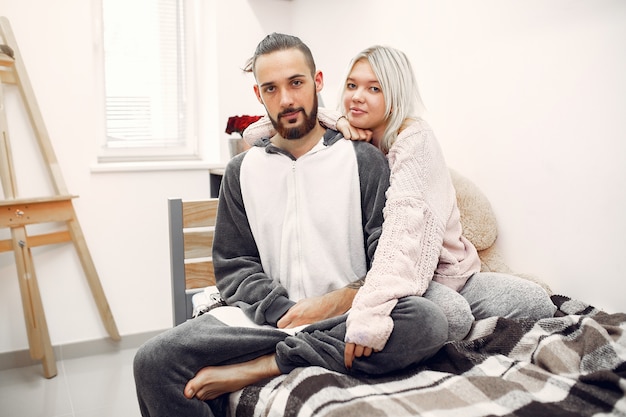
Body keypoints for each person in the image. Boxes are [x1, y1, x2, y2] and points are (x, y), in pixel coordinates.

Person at [133, 33, 450, 417]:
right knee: (151, 362)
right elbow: (234, 265)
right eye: (271, 88)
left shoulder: (364, 160)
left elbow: (384, 258)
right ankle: (289, 349)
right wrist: (281, 310)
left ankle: (270, 364)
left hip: (342, 320)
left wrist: (326, 306)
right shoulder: (240, 171)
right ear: (258, 95)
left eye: (296, 83)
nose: (286, 99)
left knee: (426, 319)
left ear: (317, 82)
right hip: (263, 323)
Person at [244, 45, 557, 367]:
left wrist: (371, 312)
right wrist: (335, 120)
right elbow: (257, 132)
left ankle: (422, 330)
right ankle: (313, 349)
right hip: (402, 278)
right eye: (352, 85)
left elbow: (403, 232)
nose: (357, 97)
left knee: (537, 301)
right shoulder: (352, 134)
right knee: (453, 315)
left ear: (395, 95)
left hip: (437, 268)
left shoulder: (414, 141)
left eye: (374, 88)